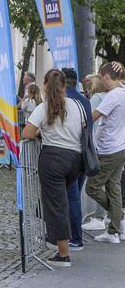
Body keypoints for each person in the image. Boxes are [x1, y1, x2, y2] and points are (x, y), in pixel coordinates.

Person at [22, 70, 85, 267]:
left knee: (57, 206)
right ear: (65, 85)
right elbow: (83, 127)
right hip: (75, 158)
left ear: (45, 85)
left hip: (53, 159)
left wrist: (43, 132)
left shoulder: (44, 107)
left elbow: (27, 132)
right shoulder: (76, 105)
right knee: (60, 201)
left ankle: (63, 253)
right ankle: (55, 238)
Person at [87, 62, 125, 244]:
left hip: (109, 149)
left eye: (102, 78)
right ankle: (115, 230)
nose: (102, 81)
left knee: (92, 187)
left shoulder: (113, 96)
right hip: (120, 146)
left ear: (106, 77)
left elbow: (92, 118)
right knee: (114, 189)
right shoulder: (123, 91)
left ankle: (117, 219)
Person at [62, 69, 91, 251]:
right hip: (84, 155)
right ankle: (73, 234)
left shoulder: (66, 101)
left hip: (70, 154)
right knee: (74, 196)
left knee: (71, 197)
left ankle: (75, 237)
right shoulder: (85, 101)